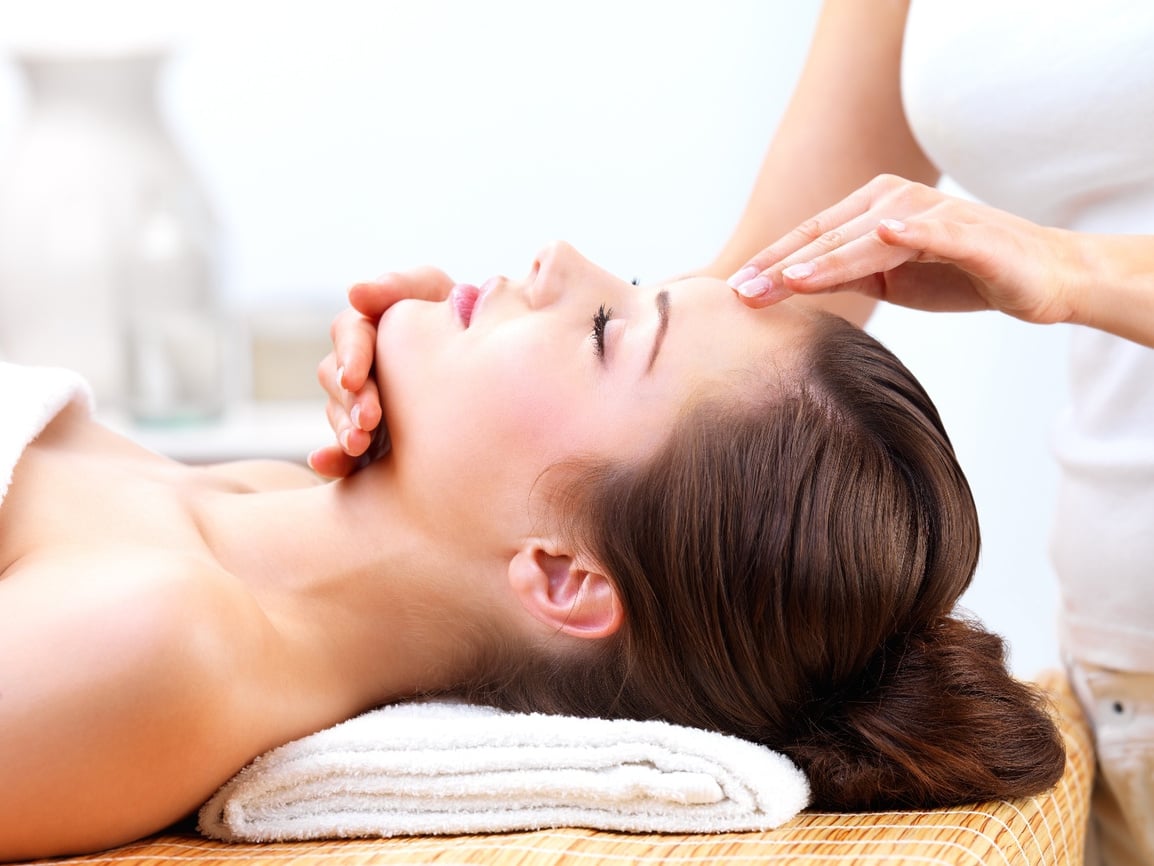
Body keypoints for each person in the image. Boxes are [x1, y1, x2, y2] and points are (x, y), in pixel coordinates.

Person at [315, 4, 1153, 864]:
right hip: (1120, 663)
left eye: (610, 320)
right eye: (626, 298)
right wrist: (443, 400)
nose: (552, 253)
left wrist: (1085, 270)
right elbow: (747, 320)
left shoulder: (182, 638)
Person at [0, 242, 1063, 861]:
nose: (558, 257)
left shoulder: (163, 644)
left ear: (563, 576)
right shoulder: (245, 519)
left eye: (607, 330)